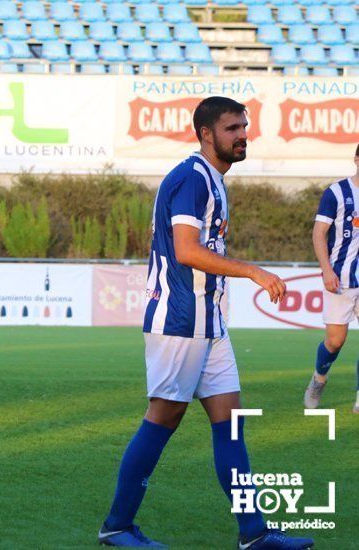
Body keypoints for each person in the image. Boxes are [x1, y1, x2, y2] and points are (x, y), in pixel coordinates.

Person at [97, 97, 313, 549]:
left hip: (209, 320)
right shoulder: (192, 179)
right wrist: (254, 271)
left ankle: (253, 533)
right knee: (163, 416)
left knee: (230, 422)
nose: (242, 135)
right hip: (179, 319)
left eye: (244, 126)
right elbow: (187, 251)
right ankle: (117, 526)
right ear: (205, 133)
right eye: (232, 128)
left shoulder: (212, 179)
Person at [306, 143, 359, 414]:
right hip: (341, 278)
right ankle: (319, 378)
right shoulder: (337, 193)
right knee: (335, 341)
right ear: (356, 159)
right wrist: (326, 269)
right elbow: (319, 233)